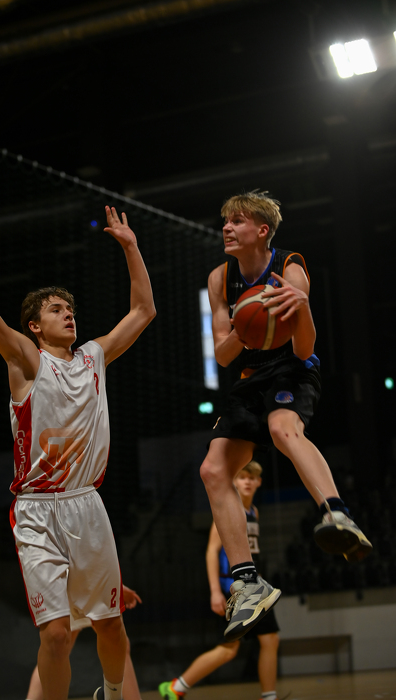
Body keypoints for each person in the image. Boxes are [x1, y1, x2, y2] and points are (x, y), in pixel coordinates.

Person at [0, 203, 156, 700]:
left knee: (111, 626)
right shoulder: (26, 361)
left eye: (70, 309)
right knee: (56, 636)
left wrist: (132, 248)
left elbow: (144, 311)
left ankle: (112, 693)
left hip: (87, 504)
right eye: (56, 309)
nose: (68, 313)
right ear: (34, 326)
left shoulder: (94, 356)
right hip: (37, 510)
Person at [199, 190, 372, 643]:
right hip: (249, 375)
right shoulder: (220, 279)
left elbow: (305, 347)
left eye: (237, 221)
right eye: (225, 221)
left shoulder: (290, 267)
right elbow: (223, 355)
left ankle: (337, 514)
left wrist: (301, 306)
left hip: (293, 367)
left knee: (281, 428)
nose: (226, 227)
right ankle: (247, 583)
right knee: (213, 470)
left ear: (262, 231)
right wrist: (244, 324)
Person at [159, 461, 286, 700]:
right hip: (233, 588)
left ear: (259, 482)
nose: (247, 482)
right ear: (234, 482)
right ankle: (177, 687)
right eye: (243, 477)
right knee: (229, 649)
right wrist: (215, 591)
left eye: (252, 478)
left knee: (270, 639)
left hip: (254, 587)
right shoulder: (228, 509)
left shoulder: (254, 511)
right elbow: (211, 551)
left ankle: (269, 696)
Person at [26, 585, 143, 700]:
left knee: (59, 649)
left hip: (81, 584)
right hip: (77, 583)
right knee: (57, 647)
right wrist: (117, 584)